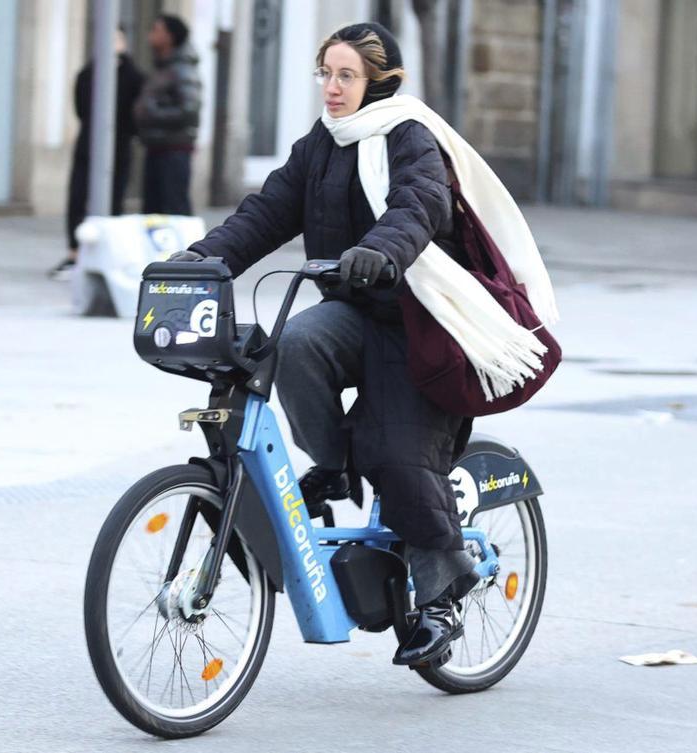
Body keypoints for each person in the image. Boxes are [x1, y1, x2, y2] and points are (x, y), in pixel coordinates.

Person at [166, 23, 557, 667]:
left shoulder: (409, 136)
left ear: (379, 83)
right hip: (355, 312)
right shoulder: (322, 145)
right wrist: (201, 260)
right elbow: (266, 213)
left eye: (346, 75)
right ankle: (335, 465)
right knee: (291, 344)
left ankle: (438, 600)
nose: (332, 87)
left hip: (420, 324)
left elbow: (418, 206)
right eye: (325, 73)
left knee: (397, 451)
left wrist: (379, 250)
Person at [49, 29, 145, 279]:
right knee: (78, 198)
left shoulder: (133, 77)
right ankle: (75, 253)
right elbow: (81, 108)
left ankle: (107, 255)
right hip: (88, 144)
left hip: (119, 146)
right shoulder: (88, 73)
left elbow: (134, 113)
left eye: (115, 39)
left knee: (113, 200)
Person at [134, 14, 201, 216]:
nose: (149, 35)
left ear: (170, 37)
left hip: (174, 150)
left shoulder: (182, 69)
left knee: (175, 209)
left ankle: (188, 248)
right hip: (157, 147)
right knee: (153, 211)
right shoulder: (162, 68)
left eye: (156, 30)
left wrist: (150, 112)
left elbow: (189, 110)